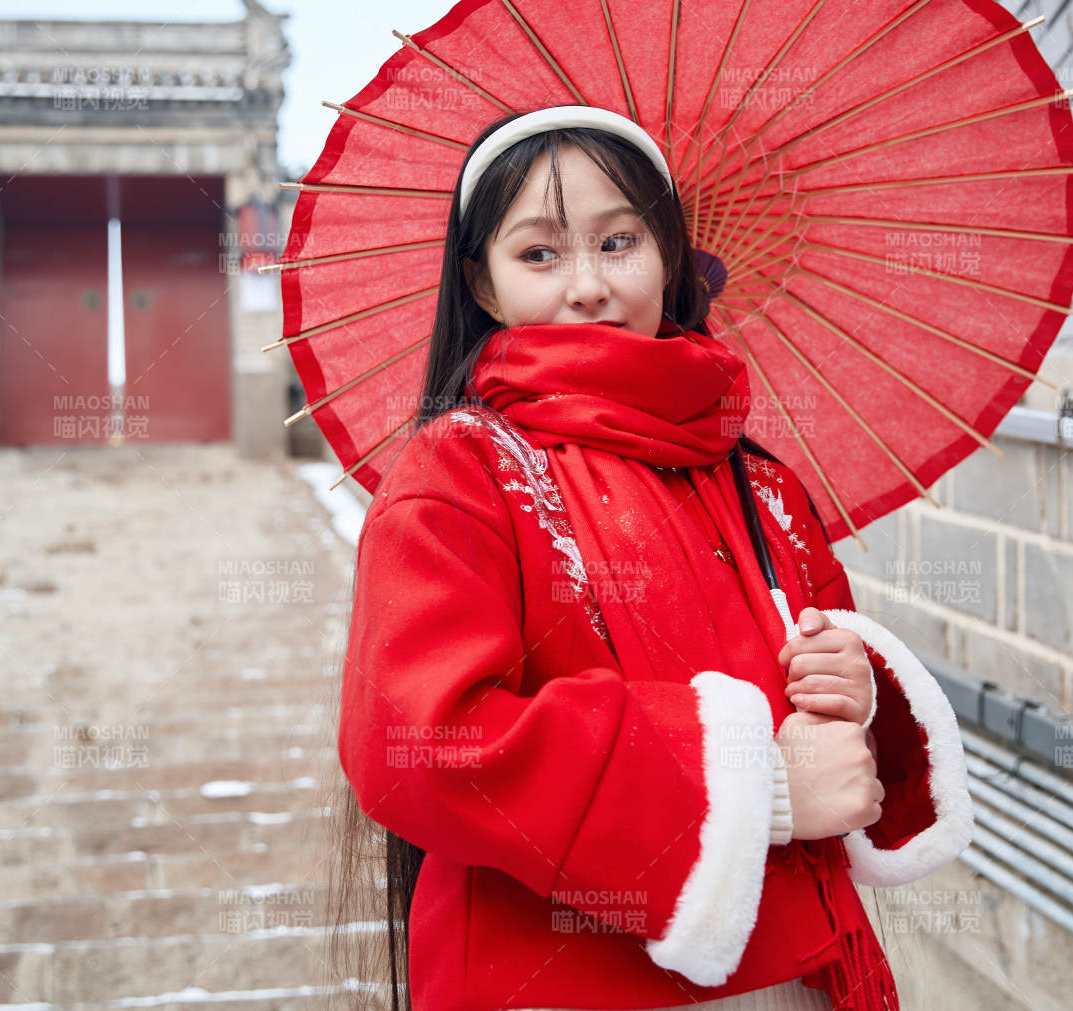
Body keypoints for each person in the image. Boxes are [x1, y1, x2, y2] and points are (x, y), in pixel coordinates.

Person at [333, 105, 974, 1011]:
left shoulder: (764, 485)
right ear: (482, 284)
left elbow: (827, 731)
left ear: (669, 256)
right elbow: (418, 739)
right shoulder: (463, 470)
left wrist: (853, 692)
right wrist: (757, 787)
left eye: (620, 240)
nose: (589, 285)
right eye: (540, 253)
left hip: (802, 971)